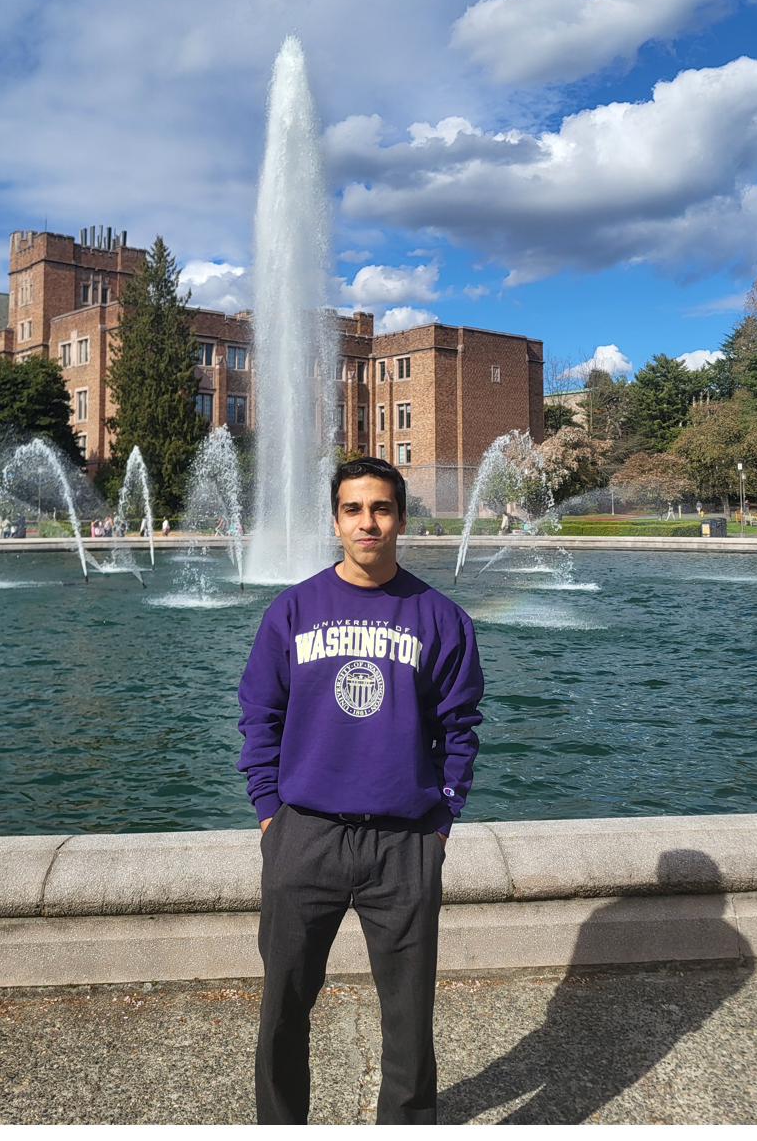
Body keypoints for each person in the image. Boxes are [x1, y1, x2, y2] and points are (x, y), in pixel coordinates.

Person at [237, 456, 484, 1125]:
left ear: (401, 519)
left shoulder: (441, 619)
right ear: (335, 520)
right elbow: (260, 716)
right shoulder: (292, 611)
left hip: (404, 843)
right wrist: (270, 815)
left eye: (380, 509)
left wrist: (441, 823)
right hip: (304, 837)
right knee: (283, 1010)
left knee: (409, 1022)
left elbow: (460, 730)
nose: (367, 522)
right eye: (353, 509)